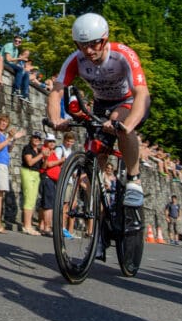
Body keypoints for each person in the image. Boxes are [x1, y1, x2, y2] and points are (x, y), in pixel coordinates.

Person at [47, 13, 151, 231]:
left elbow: (141, 92)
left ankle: (134, 179)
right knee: (97, 153)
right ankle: (101, 218)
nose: (89, 51)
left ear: (104, 39)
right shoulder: (75, 60)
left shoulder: (123, 54)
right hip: (101, 105)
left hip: (130, 101)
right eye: (82, 45)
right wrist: (56, 119)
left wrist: (128, 125)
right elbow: (56, 92)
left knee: (118, 123)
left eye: (94, 44)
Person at [20, 131, 44, 235]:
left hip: (36, 174)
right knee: (29, 198)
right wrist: (41, 155)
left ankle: (28, 225)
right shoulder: (28, 148)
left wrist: (45, 157)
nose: (37, 140)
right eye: (35, 137)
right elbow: (29, 162)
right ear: (31, 138)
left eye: (38, 138)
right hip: (28, 172)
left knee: (32, 200)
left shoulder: (38, 150)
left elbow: (42, 166)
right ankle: (27, 226)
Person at [38, 133, 59, 236]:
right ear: (46, 142)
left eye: (53, 141)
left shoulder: (52, 151)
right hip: (48, 178)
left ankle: (42, 225)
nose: (52, 143)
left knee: (46, 203)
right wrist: (61, 161)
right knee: (48, 204)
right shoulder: (45, 150)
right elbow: (47, 165)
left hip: (52, 179)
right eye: (50, 141)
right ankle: (47, 227)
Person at [0, 36, 30, 100]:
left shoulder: (16, 50)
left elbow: (14, 62)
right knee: (21, 70)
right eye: (16, 41)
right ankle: (15, 89)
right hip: (3, 62)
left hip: (10, 64)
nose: (17, 42)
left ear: (20, 43)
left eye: (19, 42)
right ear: (13, 40)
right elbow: (8, 59)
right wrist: (21, 58)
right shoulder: (9, 45)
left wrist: (21, 66)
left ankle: (25, 94)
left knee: (26, 73)